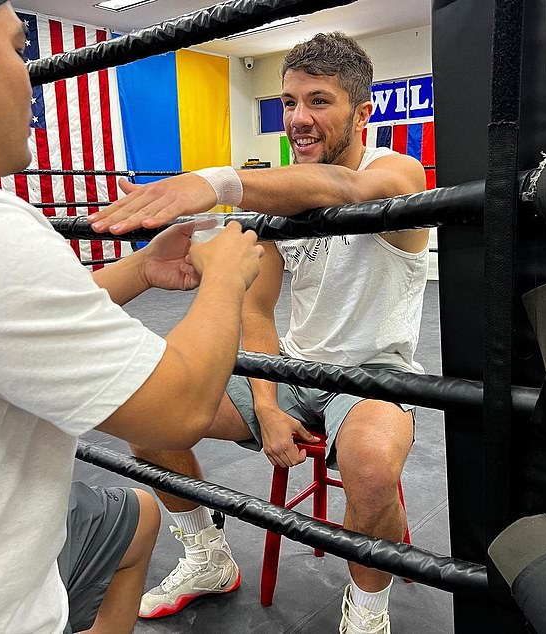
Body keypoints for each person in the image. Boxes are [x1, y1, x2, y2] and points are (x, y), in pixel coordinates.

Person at [91, 32, 429, 633]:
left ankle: (368, 612)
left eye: (319, 101)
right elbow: (259, 310)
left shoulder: (395, 169)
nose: (298, 118)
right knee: (148, 414)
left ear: (362, 111)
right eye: (289, 102)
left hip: (377, 370)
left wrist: (217, 184)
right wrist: (268, 405)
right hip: (296, 369)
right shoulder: (282, 197)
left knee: (373, 465)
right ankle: (207, 555)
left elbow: (350, 190)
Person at [0, 3, 263, 633]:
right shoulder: (0, 233)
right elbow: (180, 409)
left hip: (358, 370)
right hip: (6, 606)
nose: (30, 79)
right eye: (13, 50)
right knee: (152, 443)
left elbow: (27, 319)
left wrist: (141, 268)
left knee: (136, 518)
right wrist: (225, 277)